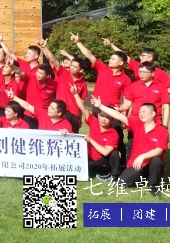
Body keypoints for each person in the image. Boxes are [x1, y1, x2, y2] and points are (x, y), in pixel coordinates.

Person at [92, 98, 169, 195]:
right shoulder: (137, 124)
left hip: (150, 163)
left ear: (153, 114)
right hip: (136, 164)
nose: (141, 114)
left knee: (156, 160)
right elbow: (118, 115)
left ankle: (154, 185)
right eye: (140, 112)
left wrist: (142, 156)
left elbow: (159, 150)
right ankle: (145, 178)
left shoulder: (162, 131)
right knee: (121, 183)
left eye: (144, 112)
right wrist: (100, 106)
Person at [71, 32, 128, 160]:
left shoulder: (125, 79)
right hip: (97, 109)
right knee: (96, 134)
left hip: (113, 112)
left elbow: (127, 99)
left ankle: (121, 162)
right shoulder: (103, 68)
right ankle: (95, 159)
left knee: (117, 137)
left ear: (121, 62)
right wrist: (78, 42)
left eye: (113, 59)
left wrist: (124, 115)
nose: (110, 60)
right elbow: (89, 55)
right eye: (110, 58)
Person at [68, 84, 121, 180]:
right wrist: (75, 93)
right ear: (98, 115)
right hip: (88, 159)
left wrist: (91, 140)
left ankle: (114, 176)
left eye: (107, 117)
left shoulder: (113, 134)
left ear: (112, 120)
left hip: (103, 162)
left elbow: (105, 152)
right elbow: (83, 108)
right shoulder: (94, 122)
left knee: (115, 153)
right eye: (102, 116)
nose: (103, 119)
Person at [38, 38, 86, 133]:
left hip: (74, 114)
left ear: (81, 70)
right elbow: (53, 60)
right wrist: (44, 47)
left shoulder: (83, 83)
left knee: (72, 137)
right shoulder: (63, 73)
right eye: (71, 65)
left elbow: (82, 102)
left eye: (75, 67)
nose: (72, 68)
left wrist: (80, 118)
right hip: (61, 112)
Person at [102, 39, 170, 94]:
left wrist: (160, 95)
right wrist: (111, 45)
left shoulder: (159, 72)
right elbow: (124, 55)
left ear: (150, 58)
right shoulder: (137, 66)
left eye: (143, 56)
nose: (140, 57)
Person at [119, 61, 170, 127]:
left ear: (152, 73)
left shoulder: (161, 87)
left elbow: (166, 107)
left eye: (144, 72)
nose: (141, 74)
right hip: (135, 121)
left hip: (154, 122)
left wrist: (165, 125)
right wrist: (117, 109)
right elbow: (127, 105)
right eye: (140, 72)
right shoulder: (133, 86)